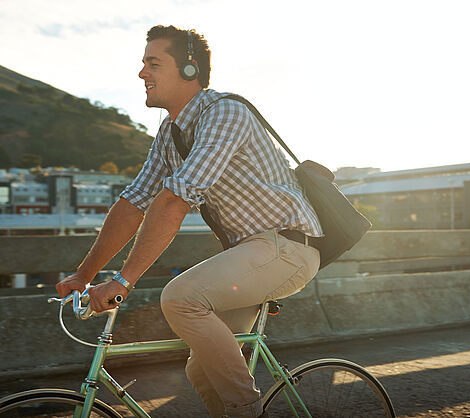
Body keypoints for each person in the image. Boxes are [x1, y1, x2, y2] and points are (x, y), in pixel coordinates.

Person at [56, 25, 322, 418]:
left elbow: (173, 201)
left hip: (288, 246)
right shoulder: (170, 132)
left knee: (180, 298)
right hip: (251, 253)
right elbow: (133, 203)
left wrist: (122, 281)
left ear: (188, 70)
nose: (142, 73)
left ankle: (249, 411)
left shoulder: (226, 112)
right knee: (202, 370)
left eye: (153, 63)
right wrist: (83, 274)